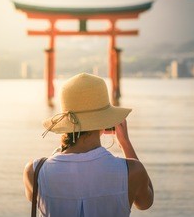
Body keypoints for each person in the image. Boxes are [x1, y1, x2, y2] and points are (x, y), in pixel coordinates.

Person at [23, 73, 154, 217]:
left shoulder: (35, 172)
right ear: (107, 122)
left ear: (65, 123)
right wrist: (125, 143)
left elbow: (36, 198)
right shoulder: (132, 171)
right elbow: (145, 203)